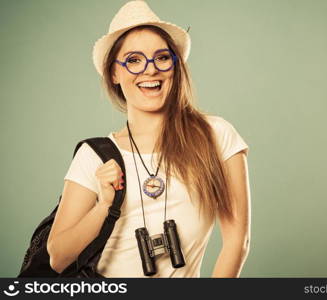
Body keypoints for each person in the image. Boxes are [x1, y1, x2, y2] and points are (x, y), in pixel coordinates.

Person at [46, 1, 250, 278]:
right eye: (133, 60)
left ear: (175, 66)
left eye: (162, 57)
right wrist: (104, 206)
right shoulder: (95, 156)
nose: (150, 70)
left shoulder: (215, 136)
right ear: (114, 73)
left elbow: (237, 241)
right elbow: (58, 258)